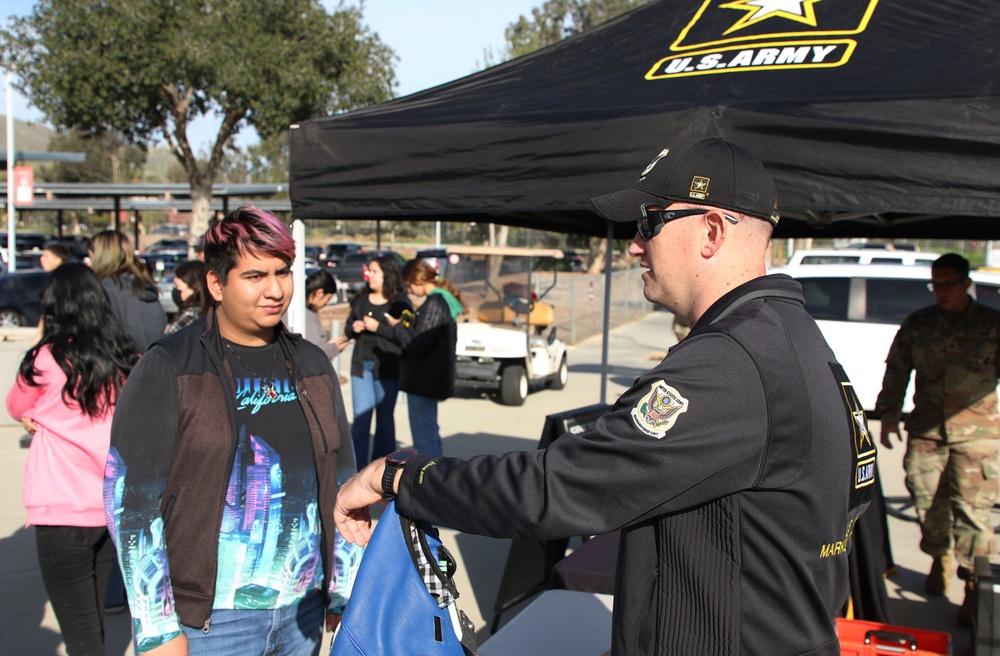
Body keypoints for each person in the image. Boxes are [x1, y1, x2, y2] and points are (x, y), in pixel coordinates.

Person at [336, 138, 875, 656]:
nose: (636, 244)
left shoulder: (733, 361)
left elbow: (554, 487)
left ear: (711, 232)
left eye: (649, 222)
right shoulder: (792, 335)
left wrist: (401, 478)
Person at [104, 206, 361, 656]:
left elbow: (344, 483)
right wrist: (157, 629)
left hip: (302, 612)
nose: (275, 289)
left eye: (283, 272)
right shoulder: (170, 367)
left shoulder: (313, 365)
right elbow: (130, 502)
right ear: (217, 284)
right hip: (209, 621)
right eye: (255, 276)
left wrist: (343, 591)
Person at [6, 263, 138, 656]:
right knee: (92, 617)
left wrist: (39, 416)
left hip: (60, 509)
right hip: (110, 504)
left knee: (79, 630)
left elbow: (15, 405)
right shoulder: (125, 356)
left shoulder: (45, 359)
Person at [875, 252, 1000, 623]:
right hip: (927, 431)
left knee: (973, 515)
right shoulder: (920, 324)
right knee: (928, 505)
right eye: (936, 285)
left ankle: (972, 587)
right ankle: (939, 556)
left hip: (978, 436)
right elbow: (897, 371)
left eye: (948, 284)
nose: (941, 292)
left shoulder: (993, 325)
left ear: (965, 284)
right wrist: (889, 416)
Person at [368, 258, 463, 457]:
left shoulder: (436, 302)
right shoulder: (442, 301)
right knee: (429, 432)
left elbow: (417, 344)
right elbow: (424, 336)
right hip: (429, 380)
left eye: (410, 284)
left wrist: (398, 327)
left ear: (418, 279)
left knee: (424, 437)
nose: (409, 289)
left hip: (423, 381)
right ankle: (435, 479)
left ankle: (429, 483)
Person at [342, 254, 413, 465]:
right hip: (361, 366)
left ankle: (383, 468)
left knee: (385, 419)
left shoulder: (400, 303)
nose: (369, 275)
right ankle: (357, 469)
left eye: (374, 271)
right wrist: (353, 329)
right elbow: (348, 327)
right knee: (361, 420)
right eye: (368, 271)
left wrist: (379, 328)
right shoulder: (361, 300)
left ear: (387, 275)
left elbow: (407, 334)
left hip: (387, 368)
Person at [89, 230, 167, 352]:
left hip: (124, 364)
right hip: (152, 362)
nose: (89, 262)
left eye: (90, 256)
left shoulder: (105, 289)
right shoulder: (143, 286)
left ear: (99, 256)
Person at [164, 260, 211, 335]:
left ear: (194, 287)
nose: (175, 291)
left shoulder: (191, 315)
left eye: (177, 286)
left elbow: (169, 341)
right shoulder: (210, 313)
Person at [302, 268, 340, 360]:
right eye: (328, 298)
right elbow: (315, 354)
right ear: (319, 293)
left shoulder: (298, 311)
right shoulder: (308, 317)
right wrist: (334, 347)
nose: (328, 303)